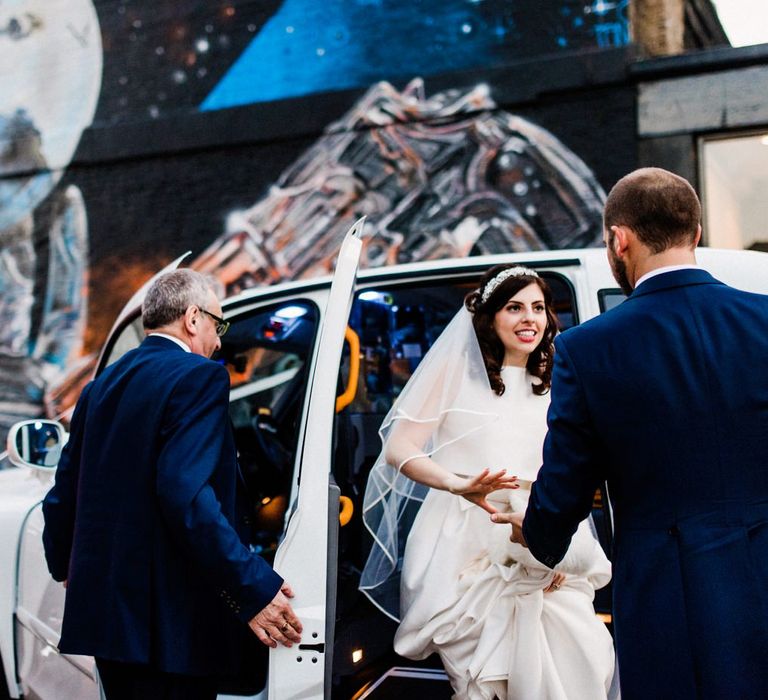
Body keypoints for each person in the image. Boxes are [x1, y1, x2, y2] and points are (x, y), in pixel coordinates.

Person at [493, 167, 768, 699]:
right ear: (697, 232)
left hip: (672, 595)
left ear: (619, 239)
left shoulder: (588, 348)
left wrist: (536, 530)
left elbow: (566, 485)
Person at [42, 269, 302, 700]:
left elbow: (62, 495)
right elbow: (186, 496)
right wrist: (252, 586)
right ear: (193, 318)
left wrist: (68, 567)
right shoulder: (199, 377)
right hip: (170, 629)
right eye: (218, 326)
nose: (219, 342)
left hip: (109, 622)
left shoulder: (98, 388)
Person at [360, 264, 616, 699]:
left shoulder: (557, 382)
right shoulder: (454, 373)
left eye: (538, 307)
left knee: (576, 660)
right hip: (466, 549)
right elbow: (399, 448)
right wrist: (454, 483)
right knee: (484, 680)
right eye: (514, 308)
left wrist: (552, 548)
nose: (529, 319)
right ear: (490, 317)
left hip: (542, 534)